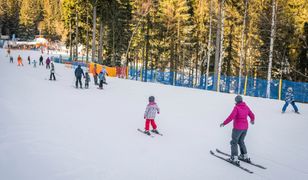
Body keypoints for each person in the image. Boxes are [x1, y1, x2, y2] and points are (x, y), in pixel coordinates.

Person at [220, 95, 255, 166]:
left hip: (237, 128)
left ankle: (234, 158)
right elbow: (252, 114)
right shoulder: (246, 107)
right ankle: (244, 156)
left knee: (234, 142)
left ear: (236, 101)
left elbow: (231, 116)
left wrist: (224, 123)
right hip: (245, 128)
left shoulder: (236, 108)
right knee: (241, 141)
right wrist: (252, 120)